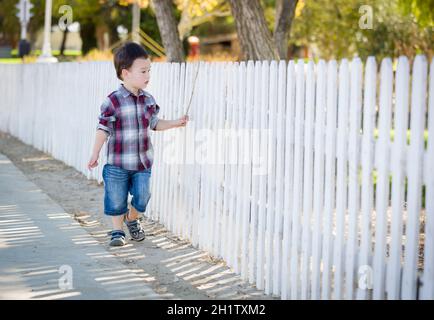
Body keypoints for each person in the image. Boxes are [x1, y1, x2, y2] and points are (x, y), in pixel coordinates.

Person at [88, 42, 189, 246]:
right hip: (117, 163)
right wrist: (95, 153)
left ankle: (132, 218)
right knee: (116, 199)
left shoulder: (148, 100)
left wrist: (175, 123)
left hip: (143, 162)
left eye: (149, 70)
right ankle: (117, 231)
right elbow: (103, 129)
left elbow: (154, 124)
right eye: (143, 71)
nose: (147, 75)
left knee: (143, 196)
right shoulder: (113, 101)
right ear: (125, 73)